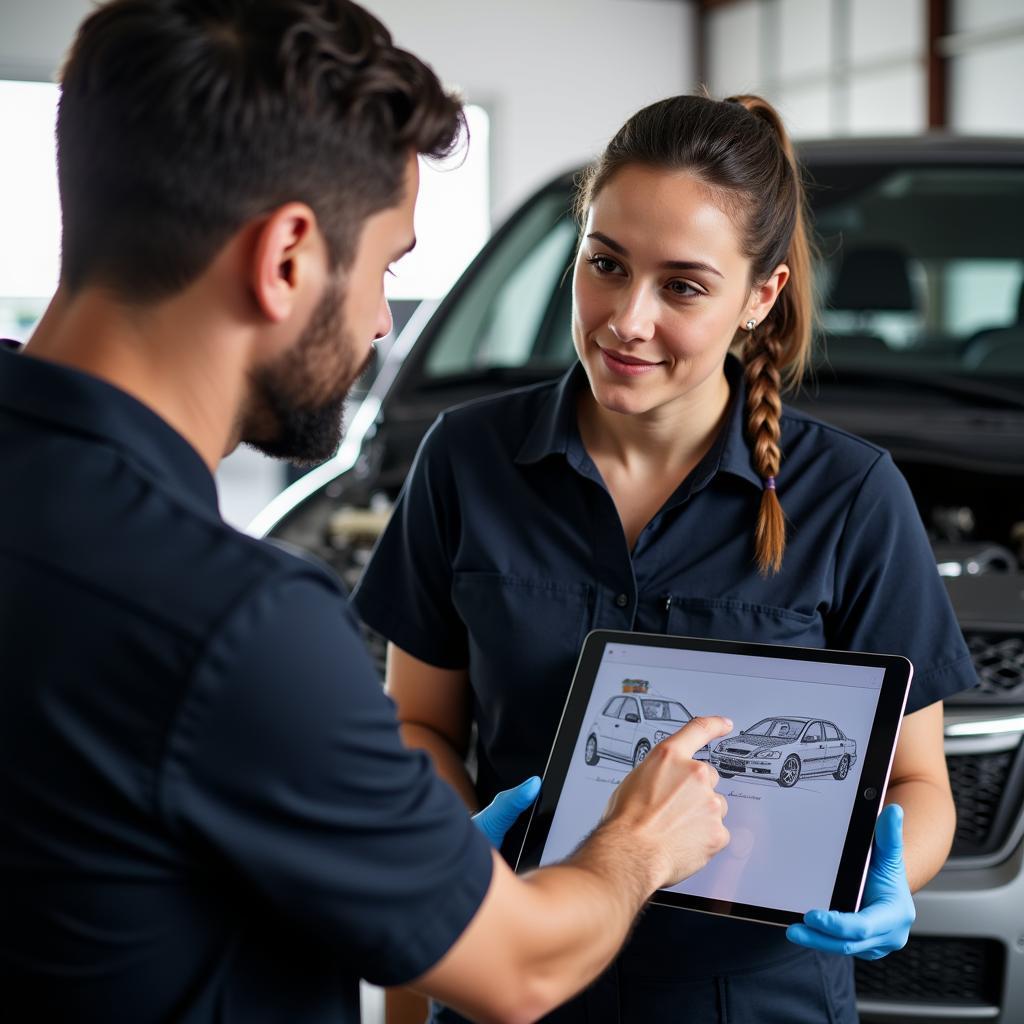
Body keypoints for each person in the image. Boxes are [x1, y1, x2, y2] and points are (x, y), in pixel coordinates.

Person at [0, 4, 735, 1022]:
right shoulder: (238, 624)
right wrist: (638, 841)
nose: (384, 321)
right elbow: (518, 969)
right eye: (387, 267)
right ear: (288, 256)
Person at [352, 93, 975, 1023]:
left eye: (682, 286)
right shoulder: (465, 460)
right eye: (605, 265)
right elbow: (422, 727)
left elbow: (918, 781)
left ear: (759, 297)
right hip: (519, 968)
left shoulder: (851, 495)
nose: (626, 319)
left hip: (756, 996)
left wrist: (895, 875)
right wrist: (456, 861)